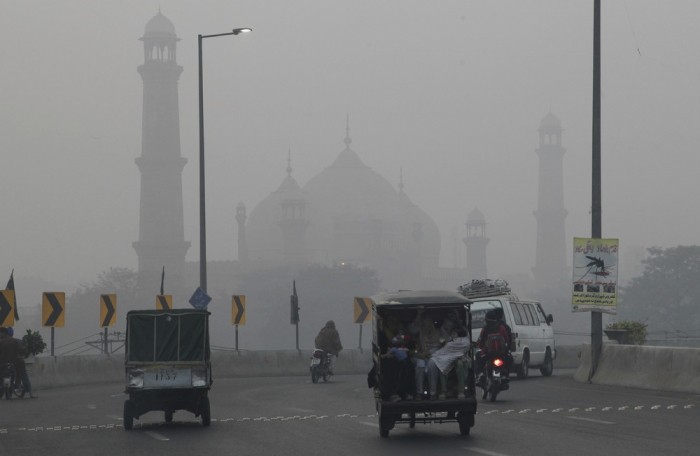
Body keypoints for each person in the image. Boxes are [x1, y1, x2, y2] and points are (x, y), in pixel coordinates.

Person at [426, 325, 470, 399]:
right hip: (447, 358)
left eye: (454, 334)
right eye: (452, 334)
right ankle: (443, 391)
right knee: (442, 364)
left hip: (460, 359)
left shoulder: (464, 341)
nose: (452, 335)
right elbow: (445, 351)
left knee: (460, 364)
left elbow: (463, 349)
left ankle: (461, 391)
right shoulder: (449, 341)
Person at [409, 310, 443, 399]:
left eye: (428, 323)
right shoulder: (419, 333)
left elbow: (445, 345)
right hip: (420, 355)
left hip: (434, 356)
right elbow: (412, 329)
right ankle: (419, 393)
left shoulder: (439, 332)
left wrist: (431, 353)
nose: (426, 326)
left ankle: (433, 393)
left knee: (432, 364)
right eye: (424, 323)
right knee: (420, 364)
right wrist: (419, 314)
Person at [476, 310, 511, 386]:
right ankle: (505, 375)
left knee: (478, 356)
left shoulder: (485, 329)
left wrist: (481, 347)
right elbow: (507, 340)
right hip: (501, 354)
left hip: (488, 354)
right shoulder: (502, 328)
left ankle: (480, 374)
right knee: (509, 358)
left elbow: (481, 343)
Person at [7, 327, 35, 398]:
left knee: (9, 375)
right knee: (24, 376)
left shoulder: (3, 342)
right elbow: (24, 351)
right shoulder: (18, 341)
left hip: (8, 362)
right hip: (19, 361)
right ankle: (31, 394)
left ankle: (9, 392)